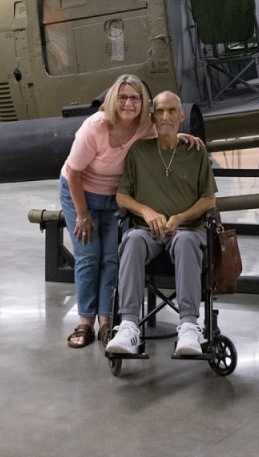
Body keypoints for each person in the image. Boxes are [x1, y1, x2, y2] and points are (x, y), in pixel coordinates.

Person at [60, 75, 200, 349]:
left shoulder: (144, 126)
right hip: (80, 192)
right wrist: (82, 214)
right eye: (122, 97)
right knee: (89, 256)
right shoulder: (95, 127)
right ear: (113, 99)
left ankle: (105, 321)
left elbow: (164, 130)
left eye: (135, 98)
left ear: (142, 103)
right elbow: (74, 174)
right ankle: (85, 322)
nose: (128, 103)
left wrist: (180, 135)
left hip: (115, 198)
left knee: (112, 258)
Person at [106, 91, 217, 358]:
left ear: (181, 116)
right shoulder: (139, 152)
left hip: (188, 230)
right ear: (152, 117)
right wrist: (145, 211)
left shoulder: (196, 151)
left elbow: (209, 200)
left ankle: (189, 325)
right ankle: (129, 325)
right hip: (148, 232)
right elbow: (122, 196)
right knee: (131, 239)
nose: (165, 117)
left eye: (171, 111)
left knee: (186, 239)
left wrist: (180, 218)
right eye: (160, 111)